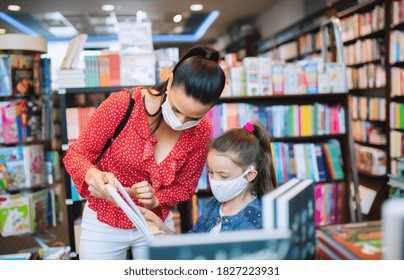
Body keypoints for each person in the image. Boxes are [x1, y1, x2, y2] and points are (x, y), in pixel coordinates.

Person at [62, 45, 226, 260]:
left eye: (193, 117)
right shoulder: (123, 105)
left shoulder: (202, 130)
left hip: (155, 222)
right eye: (176, 109)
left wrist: (156, 199)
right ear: (170, 80)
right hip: (105, 220)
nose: (180, 122)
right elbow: (76, 154)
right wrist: (92, 175)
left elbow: (186, 187)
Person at [141, 120, 278, 235]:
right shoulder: (213, 205)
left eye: (223, 176)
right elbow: (193, 244)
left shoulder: (261, 218)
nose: (215, 181)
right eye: (211, 172)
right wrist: (162, 227)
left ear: (249, 175)